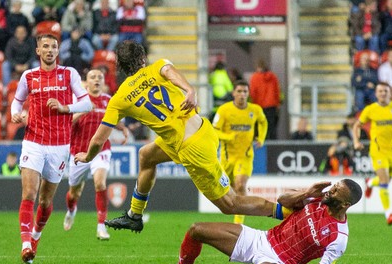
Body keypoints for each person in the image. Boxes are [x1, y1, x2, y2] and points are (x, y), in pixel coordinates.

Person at [74, 41, 287, 234]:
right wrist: (189, 90)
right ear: (142, 59)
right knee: (146, 155)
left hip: (193, 149)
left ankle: (286, 212)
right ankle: (134, 215)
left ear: (120, 66)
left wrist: (87, 156)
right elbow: (169, 71)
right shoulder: (157, 66)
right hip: (201, 130)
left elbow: (98, 140)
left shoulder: (119, 99)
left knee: (231, 204)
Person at [145, 179, 362, 264]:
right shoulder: (316, 197)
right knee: (196, 230)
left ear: (345, 205)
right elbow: (282, 200)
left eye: (335, 192)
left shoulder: (339, 237)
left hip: (282, 263)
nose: (330, 192)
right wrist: (306, 192)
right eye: (333, 187)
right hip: (261, 239)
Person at [11, 34, 92, 264]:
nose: (49, 50)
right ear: (38, 51)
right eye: (45, 46)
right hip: (33, 141)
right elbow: (17, 101)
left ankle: (36, 235)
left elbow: (86, 103)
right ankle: (26, 243)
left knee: (45, 201)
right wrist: (14, 114)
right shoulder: (29, 76)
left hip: (59, 146)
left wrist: (65, 107)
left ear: (58, 51)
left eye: (53, 47)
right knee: (29, 193)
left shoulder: (69, 74)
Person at [63, 69, 128, 240]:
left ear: (104, 81)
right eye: (93, 77)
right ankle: (71, 210)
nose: (97, 80)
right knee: (74, 193)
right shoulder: (78, 99)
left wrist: (123, 129)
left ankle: (101, 226)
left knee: (100, 183)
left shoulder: (109, 100)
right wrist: (83, 110)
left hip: (101, 149)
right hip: (78, 151)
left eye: (100, 77)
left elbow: (115, 120)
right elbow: (66, 122)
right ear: (87, 81)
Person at [353, 82, 392, 225]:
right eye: (380, 91)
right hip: (378, 151)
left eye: (385, 91)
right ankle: (389, 214)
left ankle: (369, 183)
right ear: (376, 94)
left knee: (386, 181)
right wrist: (356, 142)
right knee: (384, 181)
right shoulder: (370, 109)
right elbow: (357, 125)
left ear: (390, 93)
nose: (383, 93)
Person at [212, 80, 268, 224]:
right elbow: (214, 130)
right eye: (239, 91)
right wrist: (228, 137)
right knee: (226, 190)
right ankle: (233, 212)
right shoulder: (224, 110)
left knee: (240, 185)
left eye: (245, 92)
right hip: (227, 158)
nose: (242, 95)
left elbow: (263, 122)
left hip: (245, 156)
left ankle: (238, 224)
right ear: (233, 93)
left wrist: (261, 137)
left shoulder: (254, 110)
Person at [249, 59, 281, 140]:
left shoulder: (255, 77)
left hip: (259, 106)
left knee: (259, 127)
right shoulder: (273, 76)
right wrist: (277, 104)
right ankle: (273, 146)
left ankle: (260, 146)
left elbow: (253, 93)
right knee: (271, 128)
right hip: (271, 105)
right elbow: (277, 91)